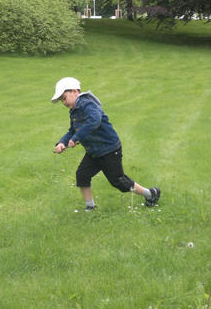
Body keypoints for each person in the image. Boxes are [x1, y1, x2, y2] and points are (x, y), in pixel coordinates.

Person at [51, 77, 161, 211]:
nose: (63, 102)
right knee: (82, 175)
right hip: (93, 152)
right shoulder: (74, 111)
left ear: (74, 91)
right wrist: (62, 143)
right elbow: (73, 129)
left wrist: (76, 138)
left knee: (119, 181)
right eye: (61, 100)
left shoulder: (87, 104)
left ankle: (150, 194)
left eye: (64, 98)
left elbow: (94, 120)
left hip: (109, 149)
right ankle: (90, 206)